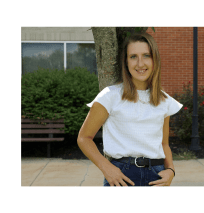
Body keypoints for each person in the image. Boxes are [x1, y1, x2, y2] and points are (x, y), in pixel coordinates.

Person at [77, 32, 183, 186]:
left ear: (154, 60)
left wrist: (171, 170)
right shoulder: (110, 96)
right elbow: (84, 138)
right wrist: (107, 168)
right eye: (133, 57)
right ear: (126, 62)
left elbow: (163, 144)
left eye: (146, 55)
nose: (140, 64)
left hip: (156, 175)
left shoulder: (163, 100)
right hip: (121, 176)